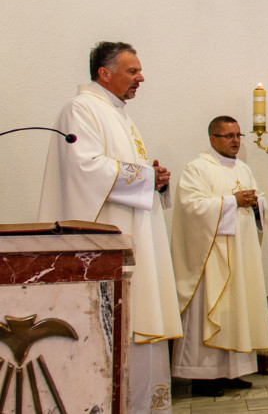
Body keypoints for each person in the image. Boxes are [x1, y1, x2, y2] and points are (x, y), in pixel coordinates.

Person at [38, 41, 182, 412]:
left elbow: (123, 172)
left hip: (133, 240)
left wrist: (155, 179)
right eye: (132, 71)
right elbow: (86, 168)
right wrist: (144, 177)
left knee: (138, 327)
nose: (141, 78)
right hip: (106, 247)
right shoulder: (81, 109)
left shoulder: (117, 113)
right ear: (104, 73)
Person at [170, 116, 268, 397]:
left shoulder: (244, 168)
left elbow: (259, 201)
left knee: (237, 311)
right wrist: (233, 202)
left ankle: (232, 371)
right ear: (212, 139)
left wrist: (256, 203)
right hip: (211, 257)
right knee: (210, 310)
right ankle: (203, 377)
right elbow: (191, 208)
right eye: (228, 136)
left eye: (238, 135)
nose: (235, 140)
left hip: (240, 256)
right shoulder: (197, 169)